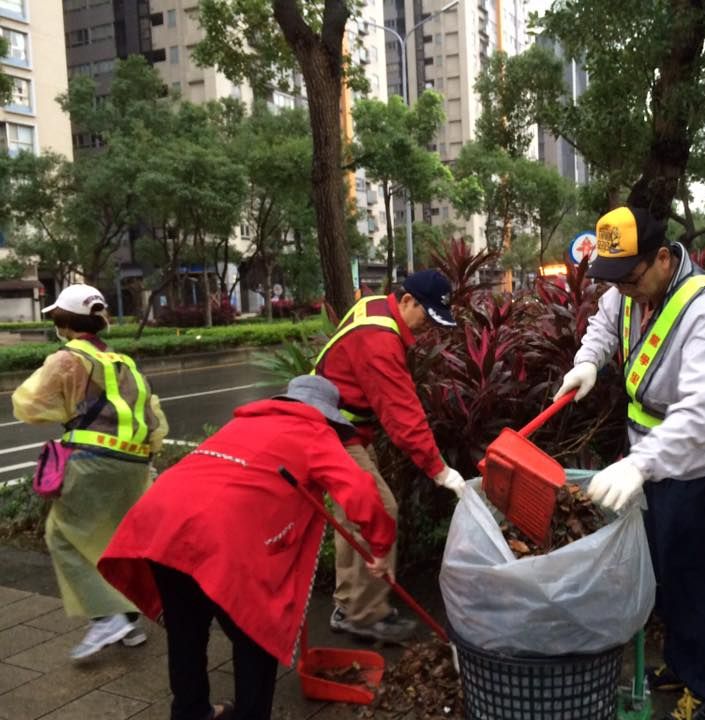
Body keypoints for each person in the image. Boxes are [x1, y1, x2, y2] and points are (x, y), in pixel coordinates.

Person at [98, 375, 397, 720]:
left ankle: (191, 712)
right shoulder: (316, 433)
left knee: (185, 632)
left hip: (162, 523)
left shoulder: (242, 423)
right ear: (328, 415)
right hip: (221, 537)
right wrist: (380, 546)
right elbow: (361, 492)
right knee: (256, 636)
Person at [554, 207, 705, 720]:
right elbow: (603, 323)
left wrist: (638, 465)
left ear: (662, 258)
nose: (622, 290)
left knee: (696, 578)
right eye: (614, 280)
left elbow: (703, 413)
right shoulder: (628, 288)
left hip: (703, 468)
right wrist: (587, 362)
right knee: (663, 571)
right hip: (653, 462)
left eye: (630, 279)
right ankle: (681, 665)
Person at [11, 283, 168, 661]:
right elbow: (153, 415)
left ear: (65, 322)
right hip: (134, 464)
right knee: (117, 541)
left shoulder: (67, 359)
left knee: (62, 536)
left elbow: (29, 404)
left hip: (93, 461)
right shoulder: (123, 361)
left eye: (57, 319)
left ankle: (107, 618)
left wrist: (70, 409)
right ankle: (128, 621)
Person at [314, 269, 465, 643]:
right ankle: (365, 615)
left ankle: (351, 604)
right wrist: (439, 470)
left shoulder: (376, 307)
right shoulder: (379, 340)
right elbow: (402, 414)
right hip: (332, 432)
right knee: (379, 510)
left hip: (338, 427)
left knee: (355, 515)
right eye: (426, 316)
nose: (428, 328)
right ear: (408, 300)